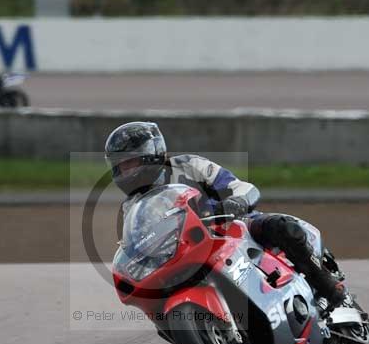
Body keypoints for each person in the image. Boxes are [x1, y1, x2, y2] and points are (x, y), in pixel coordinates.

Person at [104, 121, 346, 308]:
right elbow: (137, 245)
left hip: (232, 228)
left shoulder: (188, 165)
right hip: (184, 254)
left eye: (131, 163)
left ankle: (324, 283)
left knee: (281, 227)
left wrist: (235, 204)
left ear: (151, 154)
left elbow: (241, 187)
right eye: (121, 166)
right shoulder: (131, 207)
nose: (126, 171)